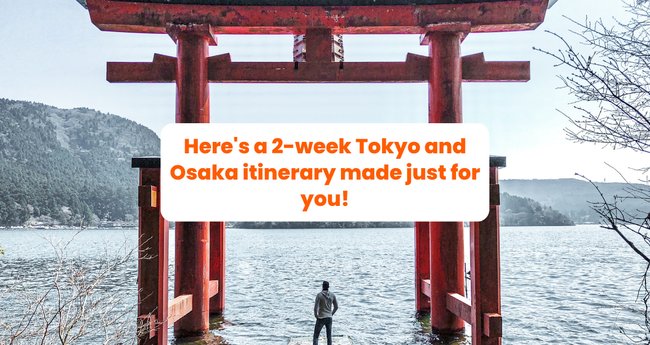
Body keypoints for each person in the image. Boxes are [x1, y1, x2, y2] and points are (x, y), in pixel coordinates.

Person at [313, 280, 338, 345]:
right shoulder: (332, 295)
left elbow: (316, 308)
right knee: (329, 337)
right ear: (328, 287)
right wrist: (331, 314)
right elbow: (336, 307)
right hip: (329, 318)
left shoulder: (319, 295)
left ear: (322, 286)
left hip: (321, 317)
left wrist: (316, 316)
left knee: (316, 336)